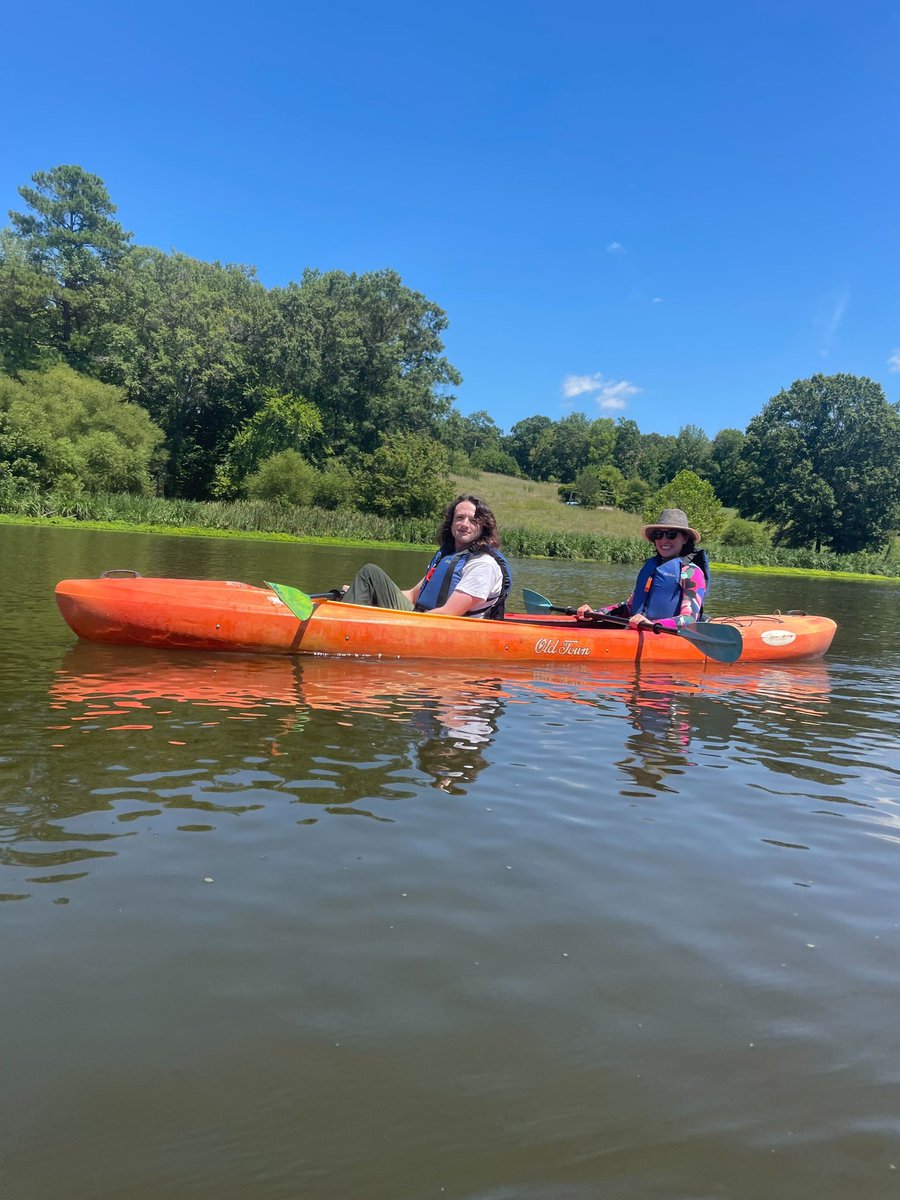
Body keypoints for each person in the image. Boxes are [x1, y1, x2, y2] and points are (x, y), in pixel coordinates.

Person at [341, 495, 511, 619]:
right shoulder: (447, 557)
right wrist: (365, 592)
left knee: (369, 572)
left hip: (444, 627)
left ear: (484, 527)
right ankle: (345, 616)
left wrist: (408, 622)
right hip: (423, 616)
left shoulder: (483, 564)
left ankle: (341, 626)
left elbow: (447, 614)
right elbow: (412, 596)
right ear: (451, 523)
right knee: (371, 576)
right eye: (459, 518)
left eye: (473, 521)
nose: (464, 524)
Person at [576, 507, 709, 630]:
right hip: (638, 628)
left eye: (671, 534)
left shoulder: (692, 572)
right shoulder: (652, 568)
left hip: (663, 634)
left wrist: (654, 625)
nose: (663, 540)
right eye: (658, 535)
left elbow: (690, 619)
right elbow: (629, 607)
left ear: (685, 538)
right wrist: (596, 613)